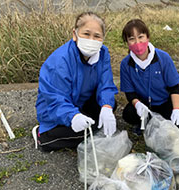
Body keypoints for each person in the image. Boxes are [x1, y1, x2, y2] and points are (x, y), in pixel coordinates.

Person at [32, 12, 118, 152]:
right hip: (54, 110)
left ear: (103, 38)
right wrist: (73, 116)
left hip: (80, 102)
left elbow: (106, 84)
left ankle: (87, 120)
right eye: (86, 34)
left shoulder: (103, 53)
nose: (91, 40)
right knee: (89, 132)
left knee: (108, 109)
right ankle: (43, 136)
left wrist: (107, 106)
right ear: (75, 34)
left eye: (97, 36)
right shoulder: (61, 61)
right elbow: (55, 99)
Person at [120, 19, 179, 134]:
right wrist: (137, 104)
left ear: (147, 37)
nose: (137, 42)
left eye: (140, 37)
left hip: (163, 102)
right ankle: (145, 124)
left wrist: (176, 110)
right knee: (128, 114)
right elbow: (129, 93)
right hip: (144, 105)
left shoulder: (163, 58)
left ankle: (152, 124)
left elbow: (174, 87)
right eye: (131, 39)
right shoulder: (126, 64)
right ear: (127, 42)